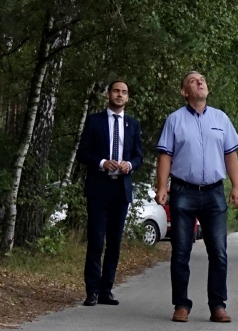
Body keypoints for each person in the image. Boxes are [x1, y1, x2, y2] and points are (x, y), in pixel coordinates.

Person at [156, 70, 238, 323]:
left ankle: (218, 305)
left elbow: (230, 154)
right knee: (181, 251)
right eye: (193, 81)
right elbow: (165, 155)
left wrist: (236, 186)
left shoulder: (221, 118)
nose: (200, 82)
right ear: (185, 92)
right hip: (183, 191)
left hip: (214, 193)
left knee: (218, 252)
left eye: (202, 79)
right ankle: (181, 304)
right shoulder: (174, 120)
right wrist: (162, 186)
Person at [76, 79, 144, 306]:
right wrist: (102, 162)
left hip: (120, 189)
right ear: (108, 94)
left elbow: (139, 156)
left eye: (124, 92)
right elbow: (82, 153)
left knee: (114, 243)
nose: (119, 95)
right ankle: (92, 291)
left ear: (128, 98)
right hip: (98, 188)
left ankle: (106, 290)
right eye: (116, 91)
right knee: (96, 241)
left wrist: (129, 165)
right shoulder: (94, 121)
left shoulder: (133, 125)